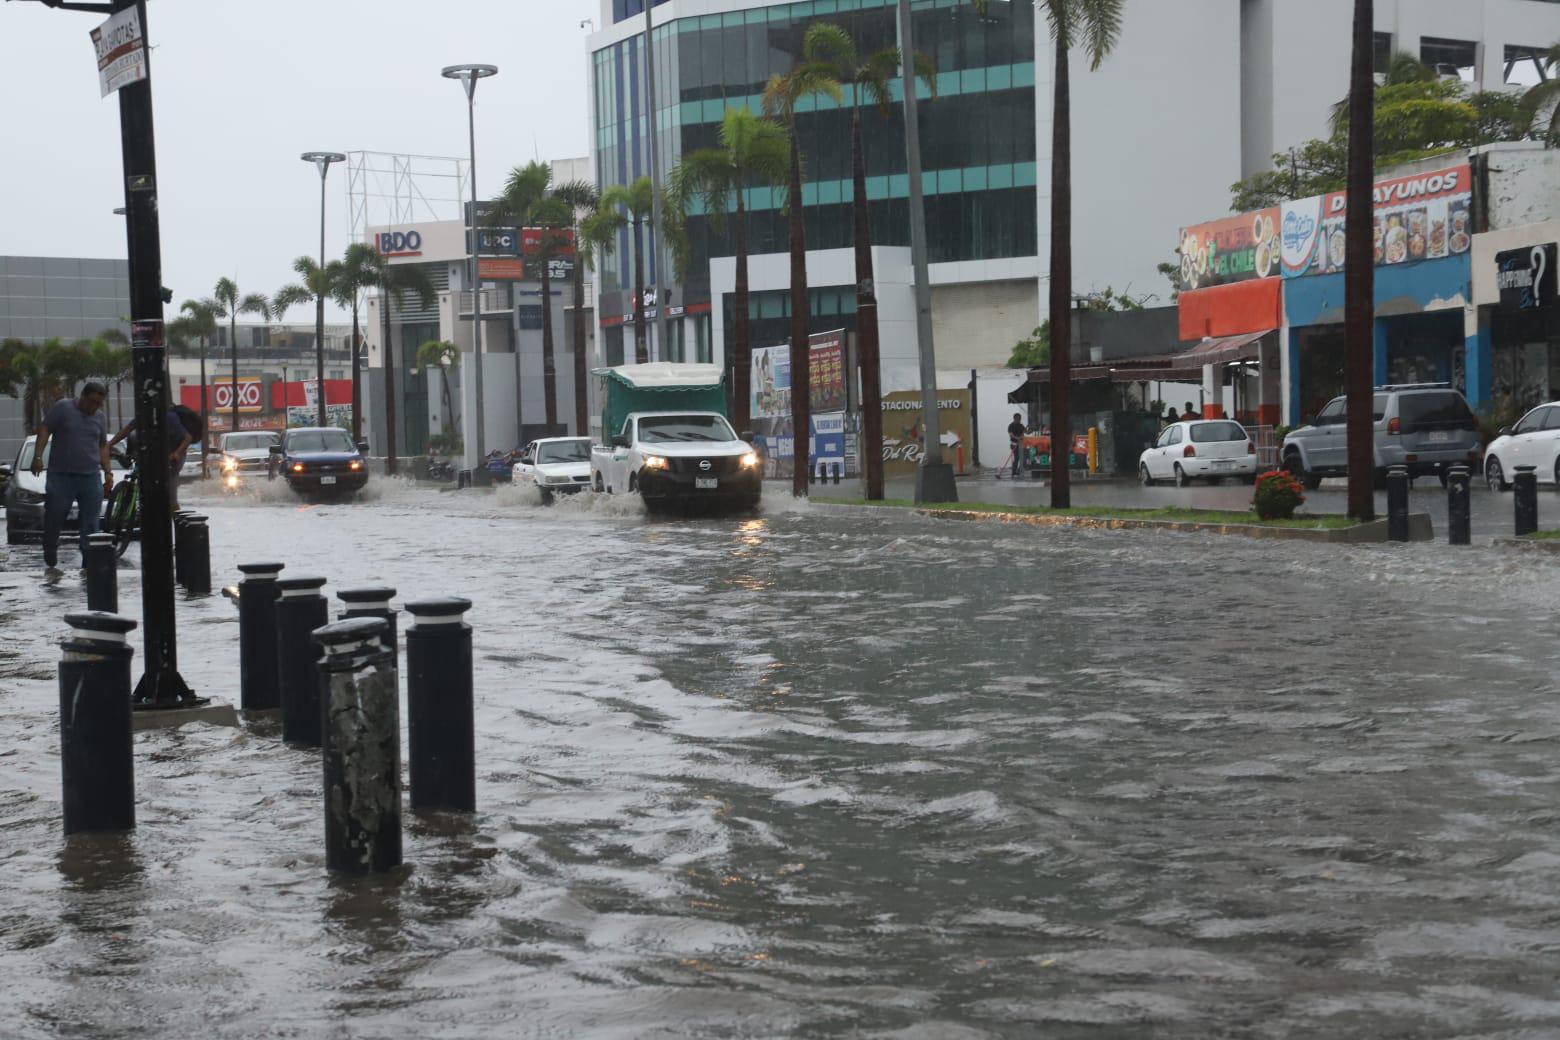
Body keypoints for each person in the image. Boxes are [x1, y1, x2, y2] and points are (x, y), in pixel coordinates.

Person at [31, 382, 114, 577]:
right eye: (92, 402)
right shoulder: (63, 408)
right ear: (82, 396)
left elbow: (102, 445)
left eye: (98, 403)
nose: (94, 407)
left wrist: (108, 472)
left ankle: (89, 562)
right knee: (55, 515)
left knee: (92, 522)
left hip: (90, 477)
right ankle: (50, 547)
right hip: (61, 476)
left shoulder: (99, 417)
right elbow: (45, 429)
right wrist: (37, 456)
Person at [110, 406, 193, 510]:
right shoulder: (143, 416)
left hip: (171, 458)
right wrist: (109, 444)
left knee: (170, 498)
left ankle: (175, 518)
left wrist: (176, 453)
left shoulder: (170, 418)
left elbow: (188, 438)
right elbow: (126, 431)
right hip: (153, 454)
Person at [1007, 412, 1027, 477]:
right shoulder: (1011, 425)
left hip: (1021, 444)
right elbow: (1011, 435)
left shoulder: (1021, 425)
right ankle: (1014, 472)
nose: (1019, 420)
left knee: (1023, 458)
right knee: (1016, 458)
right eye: (1018, 418)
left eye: (1020, 418)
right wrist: (1018, 438)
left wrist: (1031, 429)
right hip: (1014, 444)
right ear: (1015, 418)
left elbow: (1027, 432)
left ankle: (1019, 471)